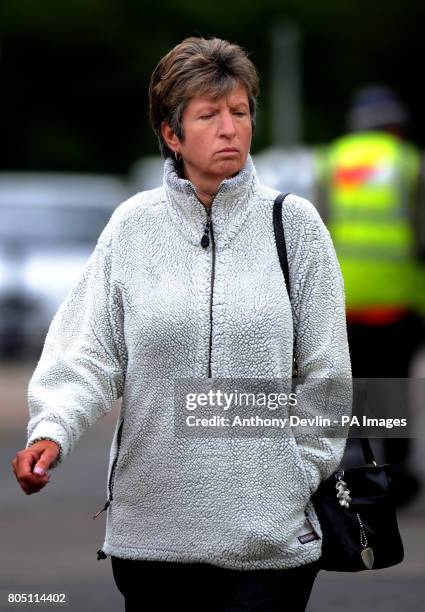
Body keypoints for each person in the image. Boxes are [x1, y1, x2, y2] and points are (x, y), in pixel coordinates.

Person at [12, 37, 351, 612]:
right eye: (209, 115)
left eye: (239, 112)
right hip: (152, 539)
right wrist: (52, 430)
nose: (229, 129)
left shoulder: (296, 226)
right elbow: (89, 353)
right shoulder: (131, 227)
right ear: (172, 134)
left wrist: (298, 475)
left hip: (268, 539)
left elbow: (327, 372)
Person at [316, 85, 425, 507]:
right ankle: (393, 475)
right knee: (394, 383)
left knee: (353, 385)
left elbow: (318, 229)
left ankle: (356, 470)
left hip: (344, 298)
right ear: (394, 124)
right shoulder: (409, 163)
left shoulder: (332, 160)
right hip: (395, 298)